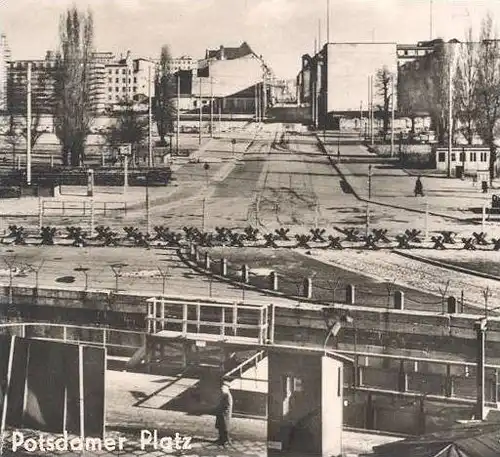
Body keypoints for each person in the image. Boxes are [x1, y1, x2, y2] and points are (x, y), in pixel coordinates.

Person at [215, 381, 233, 446]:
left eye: (223, 388)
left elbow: (227, 406)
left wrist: (221, 410)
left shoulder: (227, 395)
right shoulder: (224, 395)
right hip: (221, 414)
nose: (221, 389)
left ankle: (226, 440)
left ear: (226, 388)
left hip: (225, 415)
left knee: (225, 428)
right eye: (221, 387)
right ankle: (220, 439)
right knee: (220, 427)